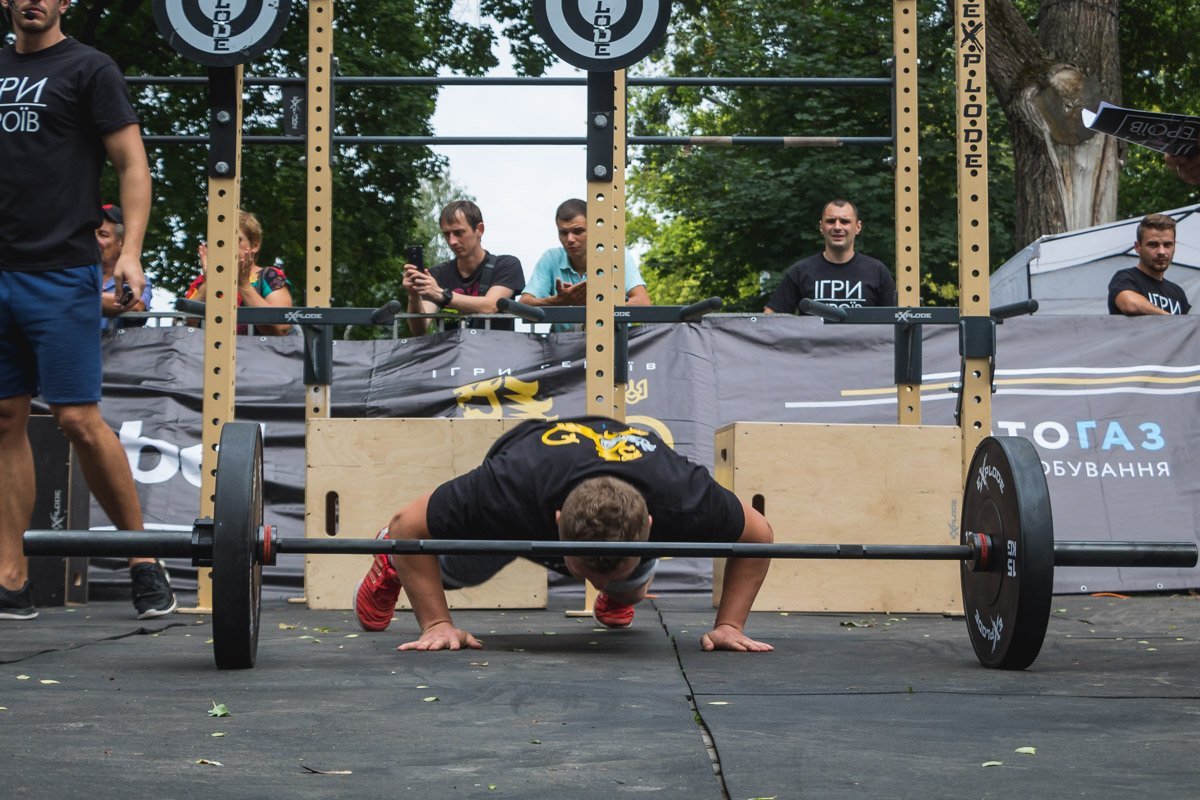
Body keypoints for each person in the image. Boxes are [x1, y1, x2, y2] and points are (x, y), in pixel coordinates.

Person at [0, 0, 175, 620]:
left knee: (76, 418)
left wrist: (130, 252)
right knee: (4, 416)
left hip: (61, 271)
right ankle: (11, 578)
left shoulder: (89, 68)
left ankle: (142, 560)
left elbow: (132, 163)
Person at [353, 416, 775, 653]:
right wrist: (437, 624)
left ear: (648, 525)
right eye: (587, 573)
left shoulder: (684, 495)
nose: (593, 583)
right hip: (528, 479)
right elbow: (406, 524)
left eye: (602, 576)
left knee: (630, 588)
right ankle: (392, 563)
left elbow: (759, 534)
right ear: (556, 522)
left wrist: (730, 625)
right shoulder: (507, 490)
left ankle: (623, 589)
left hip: (617, 489)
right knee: (460, 570)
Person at [520, 198, 651, 331]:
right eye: (563, 232)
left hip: (612, 340)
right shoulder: (551, 257)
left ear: (594, 230)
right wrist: (558, 301)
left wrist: (596, 303)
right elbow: (524, 303)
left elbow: (643, 303)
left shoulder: (616, 254)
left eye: (578, 231)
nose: (570, 239)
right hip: (565, 342)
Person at [403, 200, 524, 335]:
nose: (452, 241)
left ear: (479, 230)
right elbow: (419, 329)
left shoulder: (506, 265)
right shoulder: (438, 274)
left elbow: (490, 306)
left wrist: (442, 295)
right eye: (446, 234)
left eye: (458, 232)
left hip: (494, 348)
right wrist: (413, 296)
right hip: (450, 349)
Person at [764, 199, 896, 313]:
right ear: (821, 227)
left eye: (844, 221)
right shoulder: (801, 271)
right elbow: (770, 318)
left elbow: (896, 320)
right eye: (831, 221)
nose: (837, 227)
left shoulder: (877, 271)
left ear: (858, 227)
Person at [184, 210, 293, 336]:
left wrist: (244, 285)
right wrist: (209, 282)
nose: (225, 246)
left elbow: (281, 327)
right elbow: (183, 327)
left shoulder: (270, 276)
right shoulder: (202, 282)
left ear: (254, 245)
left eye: (235, 239)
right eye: (220, 241)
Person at [1107, 213, 1191, 316]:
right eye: (1153, 245)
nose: (1161, 252)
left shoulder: (1177, 292)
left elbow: (1186, 325)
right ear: (1138, 247)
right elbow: (1130, 305)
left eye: (1167, 245)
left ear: (1174, 246)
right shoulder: (1125, 278)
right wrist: (1169, 319)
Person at [97, 204, 152, 330]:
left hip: (113, 343)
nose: (94, 240)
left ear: (122, 243)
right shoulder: (76, 272)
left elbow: (136, 305)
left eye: (103, 234)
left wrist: (78, 297)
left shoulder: (137, 280)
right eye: (91, 234)